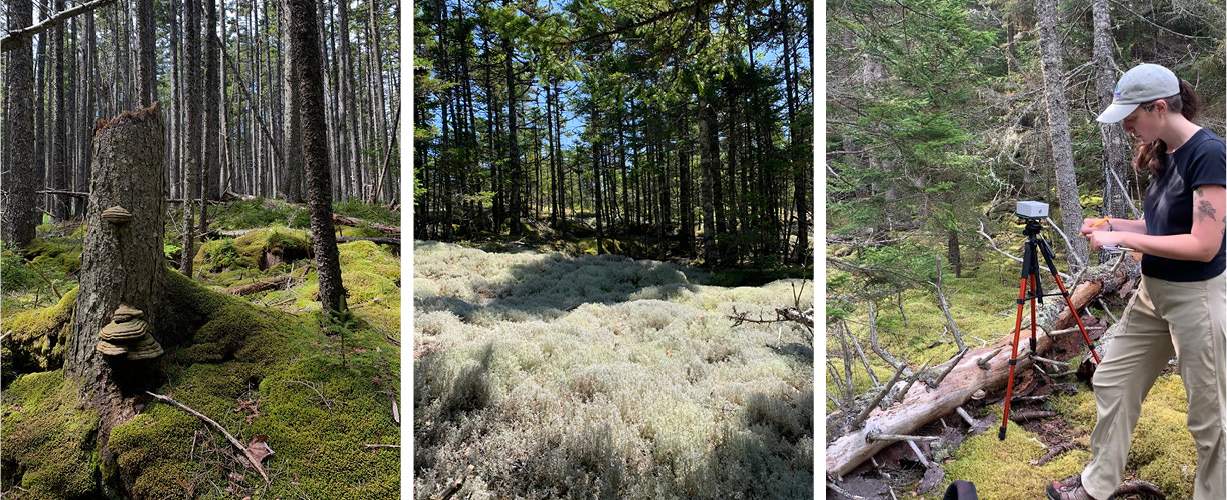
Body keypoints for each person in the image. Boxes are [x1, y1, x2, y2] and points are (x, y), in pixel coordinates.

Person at [1044, 63, 1226, 500]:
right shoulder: (1167, 151)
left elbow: (1203, 244)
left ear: (1160, 108)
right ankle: (1098, 483)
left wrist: (1120, 239)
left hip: (1196, 298)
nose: (1128, 127)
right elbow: (1163, 226)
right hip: (1154, 294)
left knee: (1211, 416)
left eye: (1131, 118)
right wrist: (1116, 223)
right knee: (1113, 380)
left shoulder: (1209, 153)